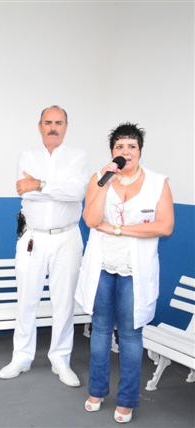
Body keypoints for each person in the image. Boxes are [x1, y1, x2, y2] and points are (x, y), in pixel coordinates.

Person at [76, 123, 173, 423]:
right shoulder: (99, 178)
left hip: (135, 270)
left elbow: (164, 226)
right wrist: (105, 183)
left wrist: (119, 229)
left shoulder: (158, 182)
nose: (125, 152)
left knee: (130, 335)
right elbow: (91, 220)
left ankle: (127, 399)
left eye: (131, 146)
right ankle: (96, 391)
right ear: (112, 152)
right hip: (103, 267)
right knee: (100, 329)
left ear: (140, 151)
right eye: (119, 147)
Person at [0, 105, 89, 387]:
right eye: (48, 122)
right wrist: (49, 188)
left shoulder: (78, 156)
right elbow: (24, 191)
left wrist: (39, 184)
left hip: (67, 237)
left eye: (58, 122)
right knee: (27, 299)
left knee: (64, 302)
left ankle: (60, 359)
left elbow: (77, 192)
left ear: (66, 126)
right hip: (33, 237)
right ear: (40, 126)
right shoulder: (28, 156)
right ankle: (21, 358)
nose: (53, 127)